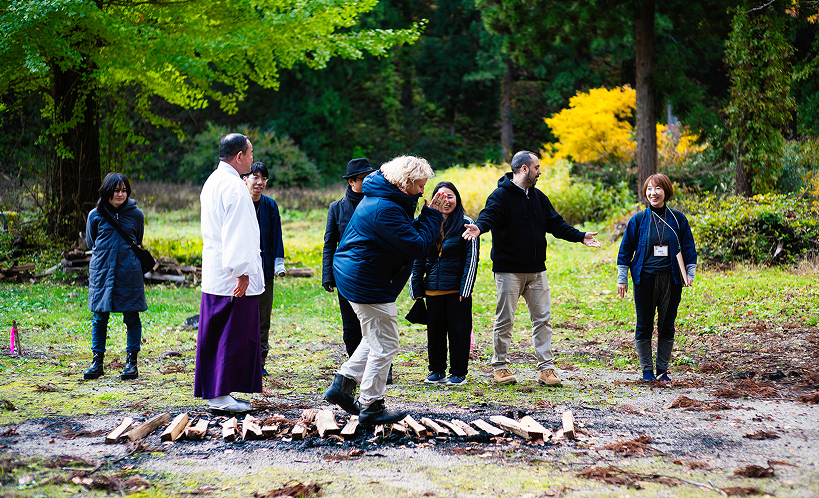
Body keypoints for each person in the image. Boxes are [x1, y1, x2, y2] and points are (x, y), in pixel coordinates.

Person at [323, 155, 446, 426]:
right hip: (366, 281)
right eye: (420, 184)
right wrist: (432, 216)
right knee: (386, 343)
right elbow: (416, 246)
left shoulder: (388, 200)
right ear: (405, 183)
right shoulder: (384, 208)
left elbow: (408, 236)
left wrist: (426, 217)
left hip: (362, 276)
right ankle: (371, 405)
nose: (424, 190)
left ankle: (342, 384)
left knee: (374, 337)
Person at [463, 150, 601, 386]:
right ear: (524, 169)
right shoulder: (500, 196)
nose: (540, 171)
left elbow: (556, 224)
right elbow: (489, 216)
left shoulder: (538, 197)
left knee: (543, 320)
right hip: (509, 271)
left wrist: (581, 236)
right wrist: (479, 228)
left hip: (537, 271)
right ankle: (500, 367)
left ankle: (546, 369)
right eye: (537, 167)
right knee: (505, 319)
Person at [195, 133, 265, 413]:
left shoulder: (214, 181)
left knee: (218, 332)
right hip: (230, 275)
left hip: (217, 269)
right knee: (228, 334)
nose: (251, 157)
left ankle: (217, 391)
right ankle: (219, 394)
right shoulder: (233, 186)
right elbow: (238, 232)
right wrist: (242, 272)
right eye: (249, 153)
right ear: (239, 157)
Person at [616, 173, 697, 382]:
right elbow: (626, 249)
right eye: (650, 189)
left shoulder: (678, 219)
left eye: (658, 188)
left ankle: (662, 370)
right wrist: (622, 277)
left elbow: (688, 247)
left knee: (667, 324)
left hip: (672, 280)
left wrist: (690, 273)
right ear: (646, 193)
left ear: (666, 191)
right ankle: (647, 371)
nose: (653, 193)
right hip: (645, 279)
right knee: (644, 324)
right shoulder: (639, 219)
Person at [410, 182, 479, 386]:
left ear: (457, 198)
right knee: (435, 332)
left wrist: (466, 289)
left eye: (450, 196)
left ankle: (458, 372)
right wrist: (416, 287)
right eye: (441, 197)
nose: (446, 201)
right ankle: (437, 370)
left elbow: (471, 259)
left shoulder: (467, 223)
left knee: (459, 332)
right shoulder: (427, 224)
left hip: (457, 290)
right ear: (434, 201)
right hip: (432, 288)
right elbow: (418, 255)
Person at [84, 172, 147, 381]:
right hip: (102, 270)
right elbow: (91, 242)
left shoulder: (136, 215)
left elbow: (137, 239)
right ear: (107, 191)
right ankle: (97, 362)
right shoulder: (95, 215)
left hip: (129, 271)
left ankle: (131, 363)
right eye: (116, 190)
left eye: (124, 190)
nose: (120, 194)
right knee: (99, 316)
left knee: (131, 316)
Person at [322, 158, 375, 358]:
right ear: (351, 181)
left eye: (370, 177)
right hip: (345, 274)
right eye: (363, 178)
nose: (368, 181)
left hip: (373, 273)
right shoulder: (336, 208)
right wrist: (328, 275)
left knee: (374, 323)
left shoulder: (377, 204)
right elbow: (329, 243)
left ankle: (381, 368)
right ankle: (355, 367)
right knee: (351, 326)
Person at [243, 161, 286, 376]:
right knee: (241, 316)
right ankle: (241, 359)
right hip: (242, 269)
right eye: (255, 177)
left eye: (263, 178)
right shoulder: (240, 203)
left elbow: (277, 236)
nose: (259, 182)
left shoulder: (270, 205)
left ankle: (259, 361)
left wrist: (279, 265)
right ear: (245, 179)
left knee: (262, 316)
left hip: (265, 270)